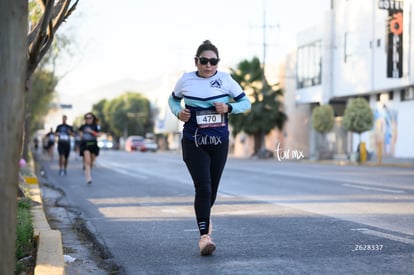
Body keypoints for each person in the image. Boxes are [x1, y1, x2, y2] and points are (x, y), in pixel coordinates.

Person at [168, 40, 251, 256]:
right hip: (194, 141)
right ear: (196, 61)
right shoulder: (186, 80)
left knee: (212, 190)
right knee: (203, 187)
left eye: (213, 61)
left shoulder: (225, 80)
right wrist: (178, 112)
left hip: (219, 142)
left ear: (217, 63)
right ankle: (204, 237)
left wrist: (229, 107)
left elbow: (246, 103)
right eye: (204, 61)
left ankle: (205, 217)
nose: (208, 65)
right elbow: (173, 99)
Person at [79, 112, 100, 184]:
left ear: (93, 118)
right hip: (85, 145)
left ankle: (88, 169)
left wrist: (91, 131)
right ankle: (88, 178)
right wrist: (81, 135)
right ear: (85, 119)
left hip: (93, 144)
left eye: (90, 118)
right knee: (87, 161)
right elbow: (80, 135)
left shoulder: (96, 126)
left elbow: (98, 135)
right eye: (87, 118)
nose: (88, 119)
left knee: (91, 161)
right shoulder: (82, 126)